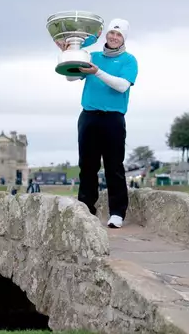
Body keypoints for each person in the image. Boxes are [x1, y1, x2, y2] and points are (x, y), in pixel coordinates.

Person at [62, 18, 138, 228]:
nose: (114, 37)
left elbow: (122, 86)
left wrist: (97, 72)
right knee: (87, 166)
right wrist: (68, 53)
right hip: (88, 116)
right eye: (112, 33)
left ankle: (117, 213)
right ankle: (86, 209)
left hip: (113, 118)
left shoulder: (128, 60)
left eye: (119, 35)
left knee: (114, 166)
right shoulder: (92, 56)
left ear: (123, 38)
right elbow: (70, 77)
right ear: (106, 35)